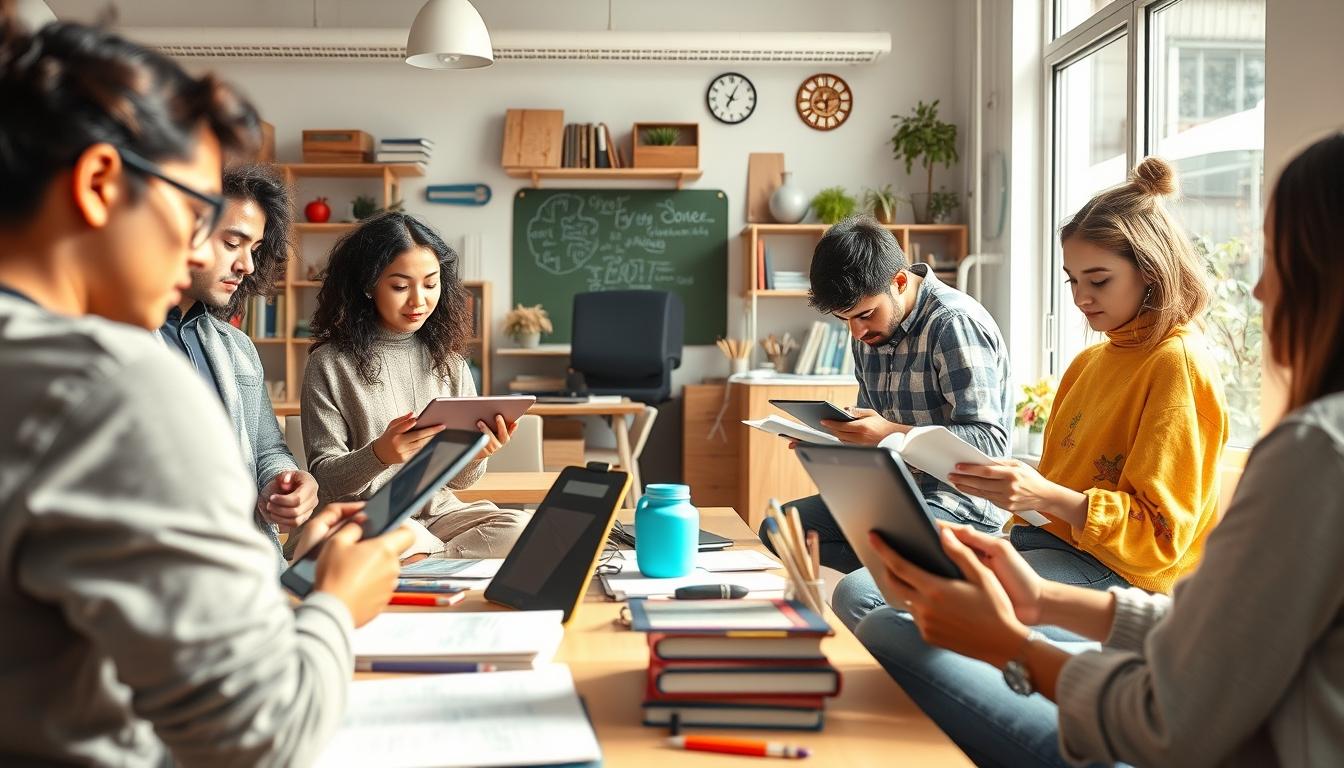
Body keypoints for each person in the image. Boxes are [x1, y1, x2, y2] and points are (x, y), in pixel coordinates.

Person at [840, 136, 1344, 767]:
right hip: (1053, 554)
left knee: (880, 610)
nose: (1262, 291)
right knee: (874, 592)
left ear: (1152, 272)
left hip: (1116, 571)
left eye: (1098, 280)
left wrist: (1013, 641)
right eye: (1073, 281)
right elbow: (1221, 638)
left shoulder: (1211, 386)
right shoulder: (1090, 363)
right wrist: (1029, 548)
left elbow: (1161, 550)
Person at [0, 13, 410, 766]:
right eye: (193, 213)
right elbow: (262, 737)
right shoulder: (111, 384)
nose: (199, 253)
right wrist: (335, 604)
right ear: (98, 184)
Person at [761, 215, 1013, 571]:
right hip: (892, 491)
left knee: (863, 581)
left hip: (959, 502)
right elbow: (872, 436)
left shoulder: (953, 323)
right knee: (779, 529)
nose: (856, 332)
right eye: (845, 319)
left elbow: (989, 445)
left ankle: (889, 578)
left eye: (865, 314)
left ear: (899, 282)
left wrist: (891, 434)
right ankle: (891, 576)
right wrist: (832, 441)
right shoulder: (866, 334)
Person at [302, 211, 528, 559]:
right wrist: (379, 454)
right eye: (400, 286)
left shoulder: (450, 362)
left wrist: (476, 454)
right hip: (368, 515)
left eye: (430, 284)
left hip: (438, 515)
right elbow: (325, 481)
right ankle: (429, 556)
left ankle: (427, 558)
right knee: (399, 537)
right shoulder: (329, 363)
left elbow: (460, 482)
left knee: (520, 528)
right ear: (368, 286)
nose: (418, 300)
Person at [158, 162, 316, 563]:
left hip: (254, 564)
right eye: (233, 243)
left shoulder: (237, 347)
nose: (247, 265)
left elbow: (268, 449)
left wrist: (286, 481)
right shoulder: (122, 338)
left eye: (255, 250)